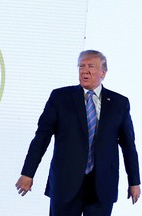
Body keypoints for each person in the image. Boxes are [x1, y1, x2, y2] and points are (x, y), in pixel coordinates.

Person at [15, 50, 141, 216]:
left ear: (103, 72)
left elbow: (128, 146)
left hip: (102, 186)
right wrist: (27, 173)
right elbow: (41, 138)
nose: (85, 70)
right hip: (65, 183)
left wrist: (134, 182)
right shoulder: (60, 97)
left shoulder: (119, 103)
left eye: (91, 66)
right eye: (81, 66)